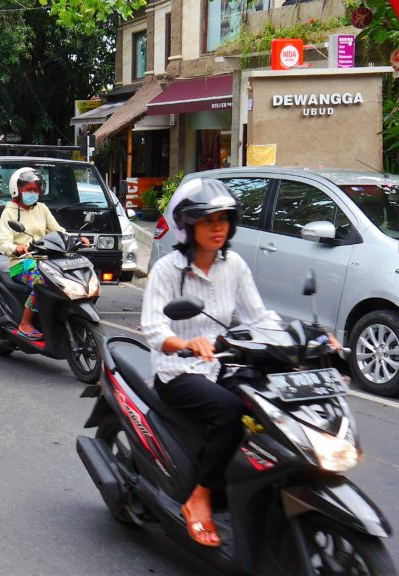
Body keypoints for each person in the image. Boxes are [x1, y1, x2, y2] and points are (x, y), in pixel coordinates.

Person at [140, 178, 281, 548]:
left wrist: (308, 340)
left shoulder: (233, 264)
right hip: (176, 371)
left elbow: (259, 317)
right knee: (231, 412)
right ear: (187, 225)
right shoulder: (167, 270)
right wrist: (185, 342)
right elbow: (153, 329)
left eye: (223, 218)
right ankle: (199, 497)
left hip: (220, 365)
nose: (218, 227)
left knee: (268, 405)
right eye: (207, 220)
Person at [0, 168, 88, 340]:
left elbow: (58, 230)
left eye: (35, 190)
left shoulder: (42, 208)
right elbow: (3, 243)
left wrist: (76, 239)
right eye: (28, 190)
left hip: (46, 260)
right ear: (18, 190)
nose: (32, 193)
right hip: (22, 263)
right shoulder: (9, 211)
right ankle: (25, 324)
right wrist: (16, 248)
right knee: (43, 283)